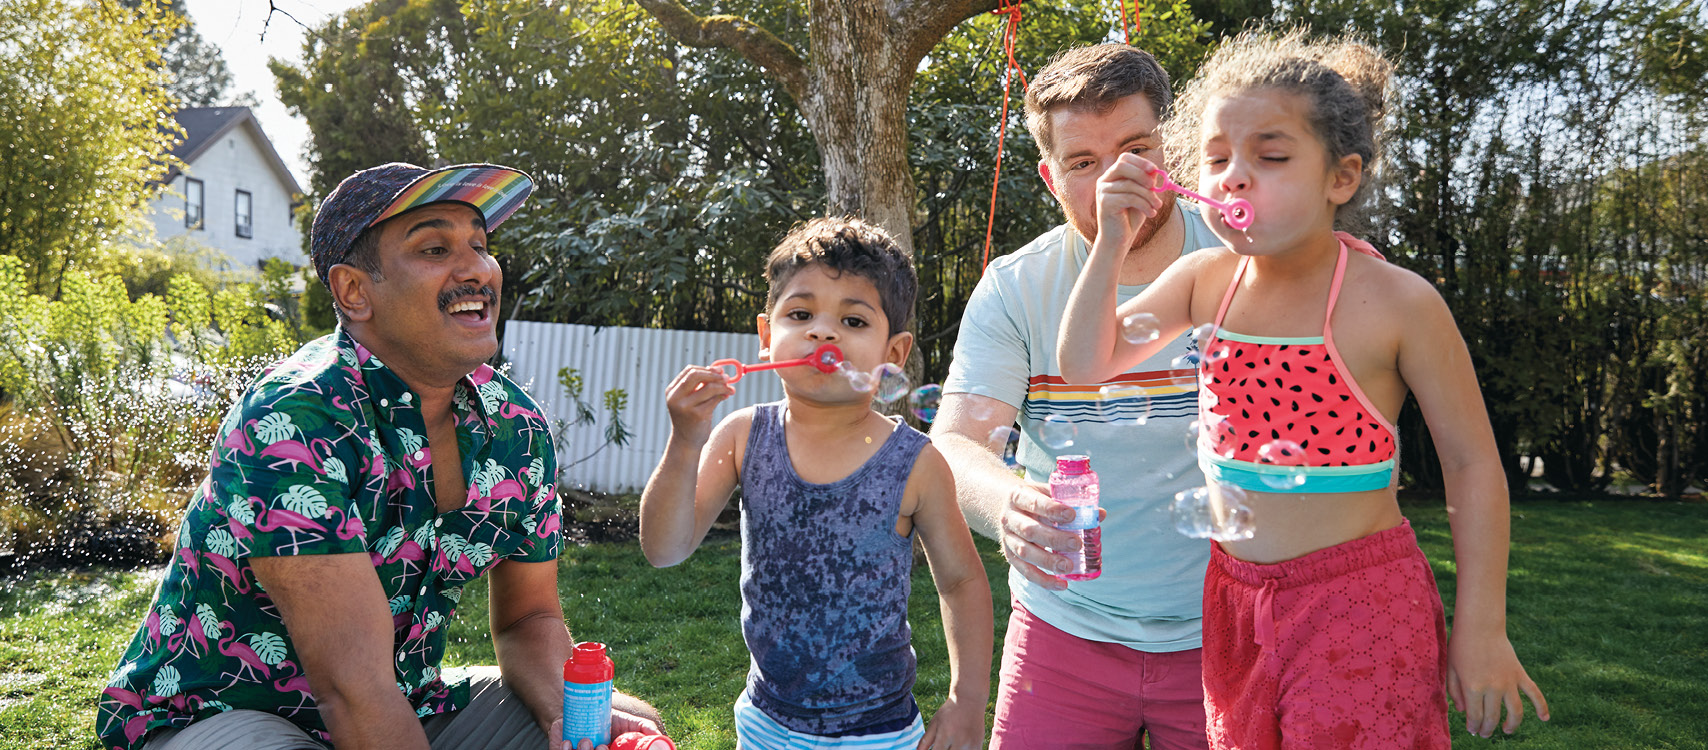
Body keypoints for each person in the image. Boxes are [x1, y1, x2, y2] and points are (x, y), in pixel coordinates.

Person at [1056, 29, 1552, 748]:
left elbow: (1473, 466)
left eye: (1271, 156)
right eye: (1217, 159)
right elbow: (1083, 364)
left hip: (1360, 605)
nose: (1234, 177)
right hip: (1235, 601)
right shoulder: (1204, 282)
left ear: (1340, 178)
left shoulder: (1397, 303)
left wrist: (1482, 628)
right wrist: (1111, 239)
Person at [96, 162, 663, 750]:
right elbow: (352, 690)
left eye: (479, 245)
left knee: (625, 727)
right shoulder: (296, 419)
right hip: (216, 711)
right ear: (354, 292)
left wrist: (570, 720)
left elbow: (529, 620)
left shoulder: (514, 426)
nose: (477, 268)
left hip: (402, 700)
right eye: (435, 249)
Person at [931, 44, 1222, 749]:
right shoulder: (1016, 286)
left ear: (1174, 150)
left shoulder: (1247, 261)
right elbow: (958, 441)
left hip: (1229, 627)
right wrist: (1009, 504)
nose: (1115, 181)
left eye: (1135, 150)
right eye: (1084, 163)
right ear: (1050, 178)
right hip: (1064, 629)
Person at [639, 218, 993, 750]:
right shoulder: (742, 436)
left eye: (853, 320)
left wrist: (967, 701)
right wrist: (686, 441)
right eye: (801, 314)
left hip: (880, 732)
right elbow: (664, 549)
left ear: (893, 355)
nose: (823, 332)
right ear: (767, 337)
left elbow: (962, 582)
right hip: (765, 722)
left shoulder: (916, 462)